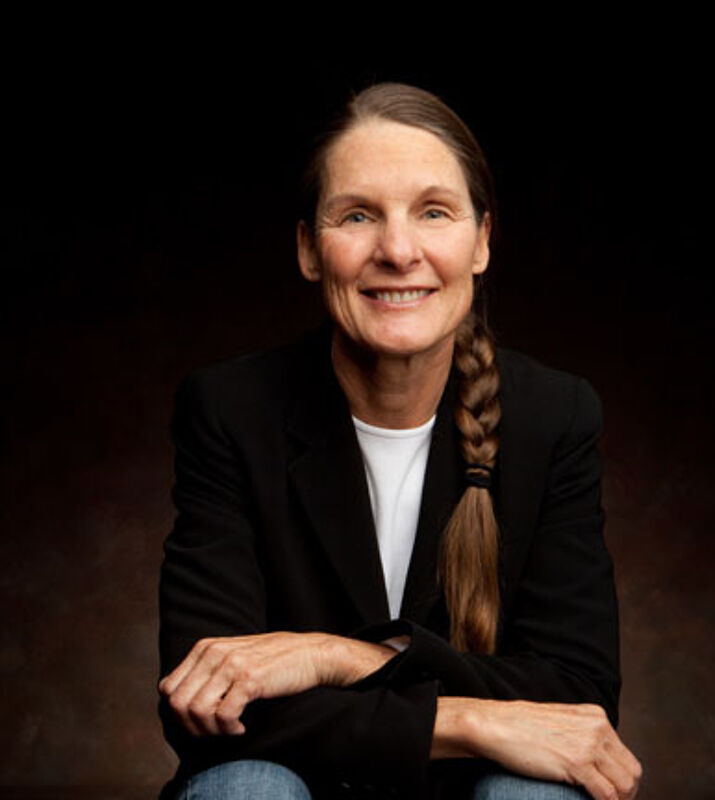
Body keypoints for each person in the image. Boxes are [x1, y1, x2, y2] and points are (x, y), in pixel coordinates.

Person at [157, 82, 642, 800]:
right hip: (299, 781)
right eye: (358, 215)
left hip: (465, 791)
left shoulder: (555, 415)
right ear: (308, 249)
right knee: (246, 786)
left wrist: (333, 657)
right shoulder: (231, 409)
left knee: (534, 794)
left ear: (481, 241)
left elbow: (577, 696)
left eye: (434, 212)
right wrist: (471, 721)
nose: (398, 250)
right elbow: (204, 703)